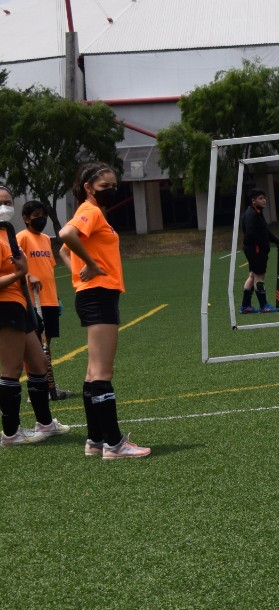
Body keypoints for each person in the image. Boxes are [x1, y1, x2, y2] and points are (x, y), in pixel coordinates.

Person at [56, 163, 149, 458]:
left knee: (92, 372)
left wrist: (78, 274)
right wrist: (91, 267)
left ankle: (96, 440)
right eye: (105, 186)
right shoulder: (91, 211)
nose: (112, 190)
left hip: (94, 293)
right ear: (88, 187)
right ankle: (114, 443)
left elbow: (63, 251)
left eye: (114, 185)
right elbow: (65, 235)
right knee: (101, 372)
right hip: (99, 294)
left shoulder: (93, 213)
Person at [0, 186, 70, 445]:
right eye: (1, 202)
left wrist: (30, 304)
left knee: (39, 364)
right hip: (4, 307)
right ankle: (10, 433)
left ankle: (44, 424)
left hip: (21, 306)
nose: (5, 206)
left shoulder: (8, 235)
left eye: (8, 201)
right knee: (12, 369)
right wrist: (20, 274)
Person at [17, 199, 73, 399]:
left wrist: (55, 298)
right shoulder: (22, 238)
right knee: (36, 349)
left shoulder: (46, 239)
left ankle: (49, 388)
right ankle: (41, 389)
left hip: (48, 300)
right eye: (36, 216)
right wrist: (28, 276)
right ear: (26, 218)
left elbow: (48, 270)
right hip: (33, 302)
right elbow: (15, 267)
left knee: (46, 347)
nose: (41, 219)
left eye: (43, 215)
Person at [239, 187, 279, 313]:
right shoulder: (251, 215)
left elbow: (264, 231)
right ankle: (264, 306)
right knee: (259, 276)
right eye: (261, 198)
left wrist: (277, 241)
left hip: (256, 250)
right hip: (255, 250)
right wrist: (261, 246)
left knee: (252, 276)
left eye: (264, 198)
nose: (264, 201)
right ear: (253, 201)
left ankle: (245, 306)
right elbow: (250, 235)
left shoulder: (257, 212)